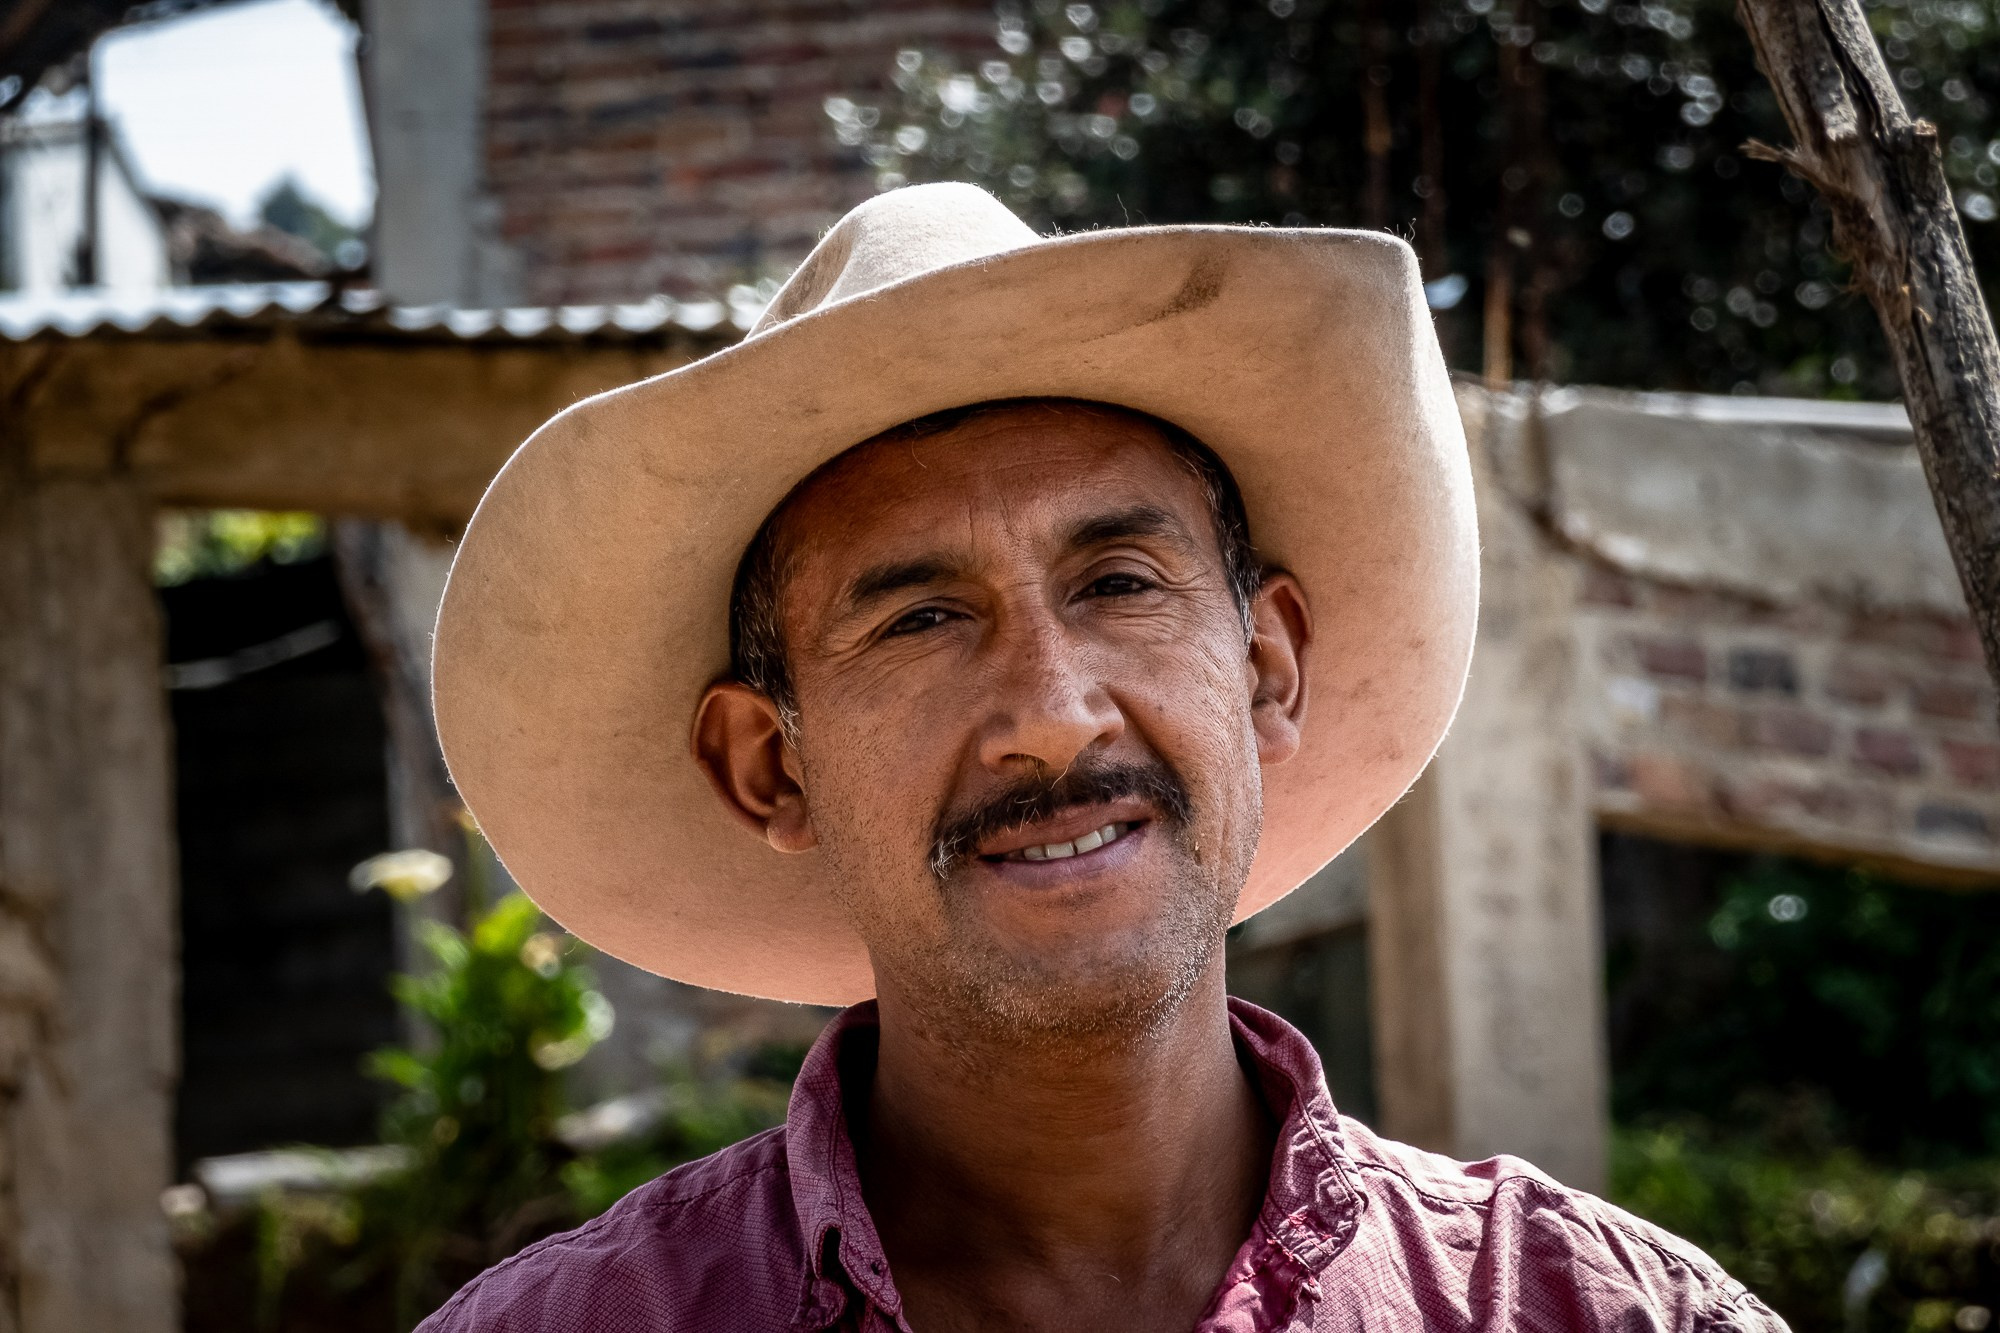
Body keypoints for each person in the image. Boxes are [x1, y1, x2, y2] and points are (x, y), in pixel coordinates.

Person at [423, 184, 1784, 1332]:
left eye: (1121, 581)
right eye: (923, 618)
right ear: (770, 767)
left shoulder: (1585, 1310)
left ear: (1265, 666)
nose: (1056, 713)